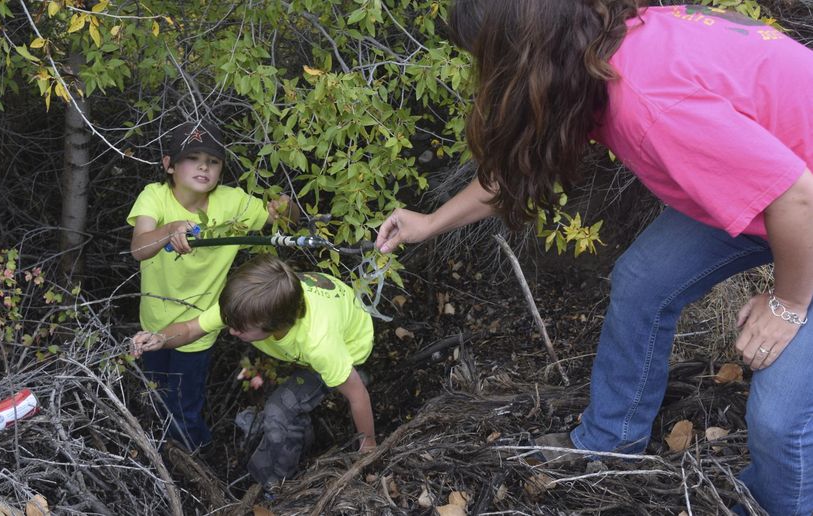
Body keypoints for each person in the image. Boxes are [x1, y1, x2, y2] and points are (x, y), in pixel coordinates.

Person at [375, 2, 812, 514]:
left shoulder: (646, 100)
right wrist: (429, 223)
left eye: (489, 59)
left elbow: (795, 197)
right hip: (781, 182)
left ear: (525, 54)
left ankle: (777, 504)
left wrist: (787, 302)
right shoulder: (594, 45)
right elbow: (523, 164)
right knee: (643, 282)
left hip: (796, 201)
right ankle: (612, 443)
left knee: (779, 422)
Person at [130, 254, 377, 489]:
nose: (231, 331)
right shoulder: (245, 307)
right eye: (230, 322)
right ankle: (306, 431)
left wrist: (368, 447)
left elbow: (358, 396)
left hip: (350, 345)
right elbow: (191, 328)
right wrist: (161, 337)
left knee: (278, 411)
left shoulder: (319, 343)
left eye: (240, 329)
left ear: (275, 325)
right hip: (328, 326)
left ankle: (277, 483)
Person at [128, 120, 296, 451]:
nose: (204, 165)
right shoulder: (155, 197)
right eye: (193, 157)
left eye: (213, 161)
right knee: (158, 395)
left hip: (199, 330)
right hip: (153, 323)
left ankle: (194, 459)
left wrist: (287, 208)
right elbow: (139, 248)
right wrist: (171, 228)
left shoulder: (233, 203)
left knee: (184, 408)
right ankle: (165, 452)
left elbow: (282, 221)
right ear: (169, 165)